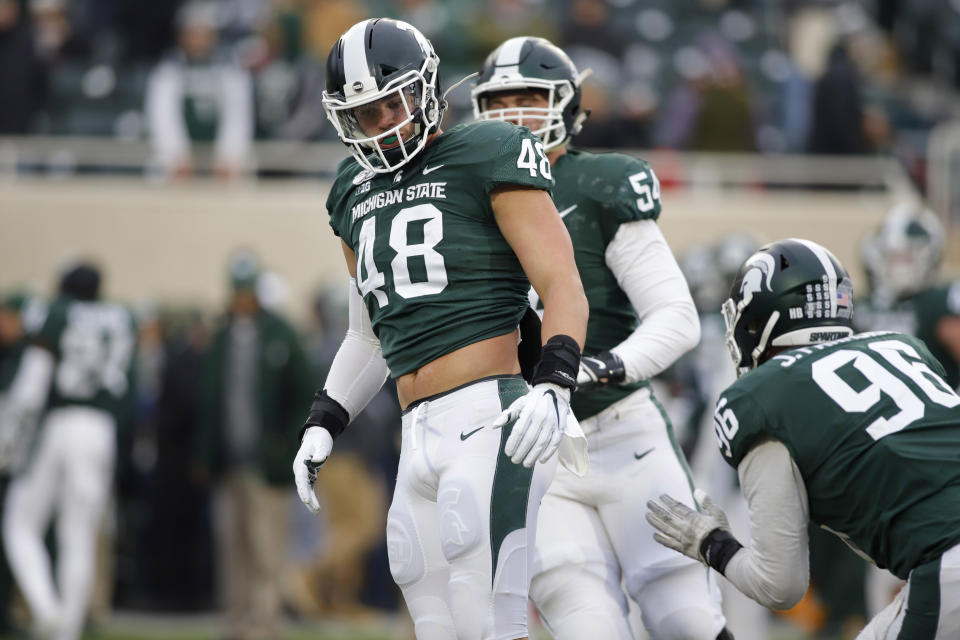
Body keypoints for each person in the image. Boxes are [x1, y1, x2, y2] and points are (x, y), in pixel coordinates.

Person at [292, 18, 589, 640]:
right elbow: (369, 335)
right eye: (362, 114)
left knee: (490, 621)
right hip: (415, 430)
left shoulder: (486, 150)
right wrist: (325, 419)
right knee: (433, 624)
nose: (379, 125)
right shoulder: (351, 190)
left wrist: (556, 381)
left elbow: (561, 282)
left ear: (426, 88)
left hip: (489, 417)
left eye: (388, 104)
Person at [472, 36, 730, 639]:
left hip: (623, 428)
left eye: (530, 97)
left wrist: (595, 368)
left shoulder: (599, 184)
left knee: (686, 617)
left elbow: (675, 317)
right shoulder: (466, 197)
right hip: (534, 450)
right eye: (501, 99)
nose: (513, 113)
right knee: (587, 625)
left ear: (567, 104)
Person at [646, 238, 960, 638]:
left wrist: (711, 543)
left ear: (760, 319)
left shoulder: (762, 398)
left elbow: (780, 584)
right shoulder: (902, 348)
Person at [1, 263, 136, 640]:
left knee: (19, 523)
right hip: (100, 429)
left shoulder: (57, 314)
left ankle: (46, 608)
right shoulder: (118, 316)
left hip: (59, 424)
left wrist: (10, 443)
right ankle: (68, 629)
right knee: (78, 533)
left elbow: (31, 387)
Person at [194, 250, 312, 640]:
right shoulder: (222, 336)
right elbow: (209, 401)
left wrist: (287, 446)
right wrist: (204, 453)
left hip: (267, 462)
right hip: (229, 460)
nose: (242, 297)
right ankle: (236, 620)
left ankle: (264, 623)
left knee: (266, 548)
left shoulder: (280, 333)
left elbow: (303, 394)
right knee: (232, 548)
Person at [144, 0, 253, 181]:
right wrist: (176, 155)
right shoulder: (168, 71)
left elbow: (238, 115)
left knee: (243, 176)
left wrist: (228, 155)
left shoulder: (230, 71)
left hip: (221, 160)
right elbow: (162, 116)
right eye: (193, 33)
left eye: (204, 33)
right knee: (158, 174)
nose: (199, 39)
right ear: (183, 35)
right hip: (180, 160)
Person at [857, 203, 960, 390]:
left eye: (906, 257)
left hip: (930, 410)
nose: (898, 267)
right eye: (893, 257)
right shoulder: (862, 306)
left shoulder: (939, 301)